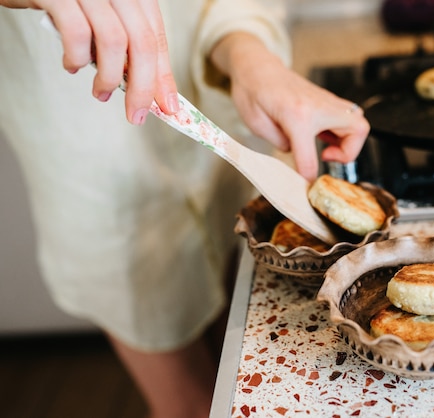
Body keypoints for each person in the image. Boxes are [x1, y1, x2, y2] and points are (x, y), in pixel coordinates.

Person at [0, 1, 370, 417]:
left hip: (218, 155)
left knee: (229, 374)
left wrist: (247, 54)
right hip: (101, 194)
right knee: (191, 407)